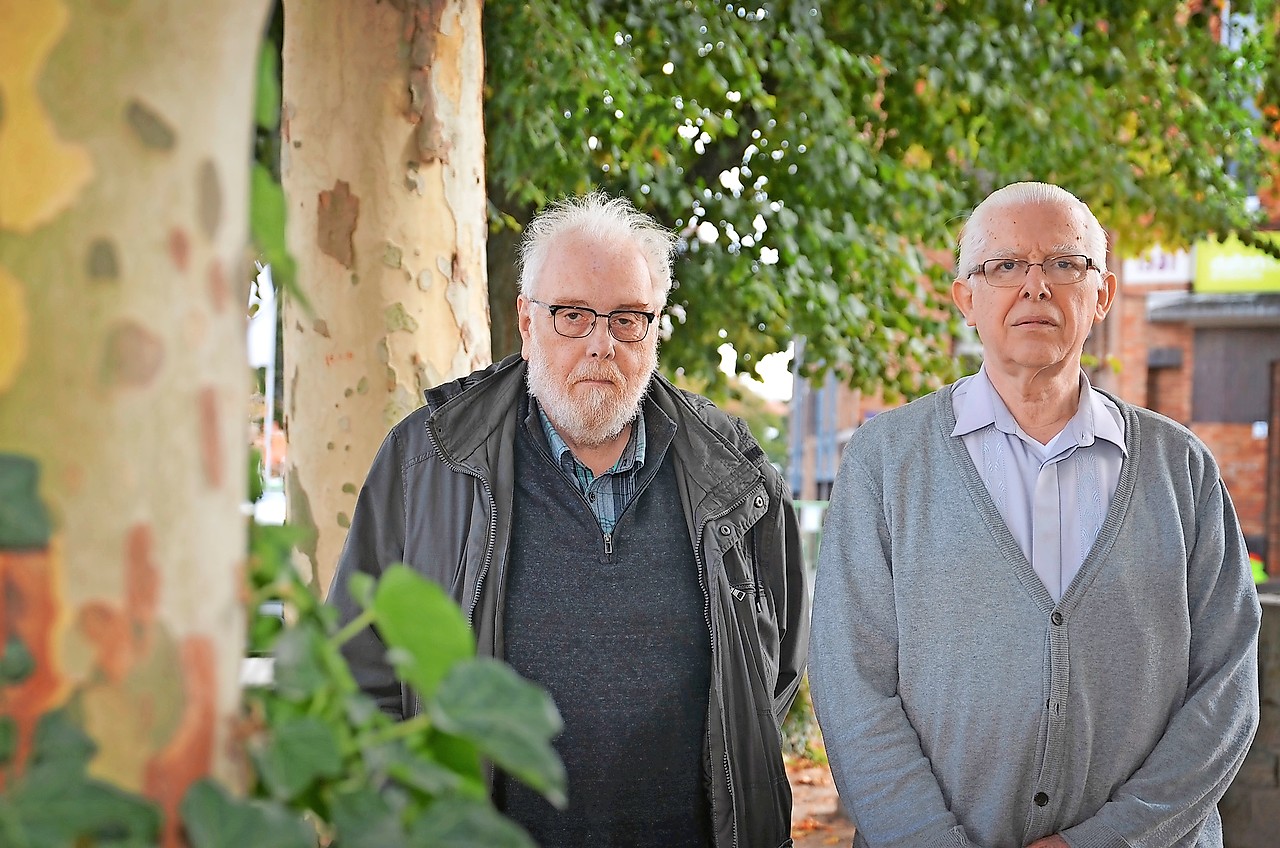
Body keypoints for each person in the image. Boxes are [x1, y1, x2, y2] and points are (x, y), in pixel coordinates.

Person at [328, 192, 809, 847]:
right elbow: (362, 676)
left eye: (628, 319)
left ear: (656, 327)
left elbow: (772, 669)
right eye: (573, 315)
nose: (601, 345)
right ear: (527, 324)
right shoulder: (427, 462)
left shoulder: (737, 472)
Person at [809, 181, 1261, 848]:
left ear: (1102, 294)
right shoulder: (885, 460)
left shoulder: (1181, 469)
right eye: (1004, 266)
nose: (1035, 286)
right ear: (966, 298)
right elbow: (852, 686)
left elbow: (1227, 688)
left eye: (1064, 264)